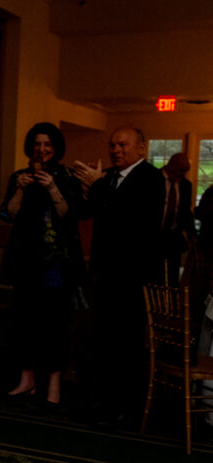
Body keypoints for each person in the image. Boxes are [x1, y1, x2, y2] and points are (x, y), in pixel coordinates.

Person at [70, 125, 165, 426]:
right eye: (112, 145)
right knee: (105, 341)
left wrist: (98, 186)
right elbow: (88, 212)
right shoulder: (110, 177)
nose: (116, 150)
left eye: (123, 145)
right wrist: (87, 189)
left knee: (128, 343)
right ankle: (105, 401)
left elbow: (135, 219)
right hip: (106, 274)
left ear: (141, 148)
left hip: (132, 277)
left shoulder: (150, 177)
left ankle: (128, 408)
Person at [0, 123, 85, 405]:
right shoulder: (19, 176)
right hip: (26, 260)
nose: (42, 149)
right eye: (37, 144)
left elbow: (70, 215)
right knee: (23, 321)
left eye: (47, 144)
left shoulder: (67, 177)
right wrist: (21, 191)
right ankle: (27, 380)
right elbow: (7, 214)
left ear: (56, 148)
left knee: (55, 324)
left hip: (56, 264)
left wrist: (52, 188)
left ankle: (54, 384)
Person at [158, 152, 195, 285]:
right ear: (171, 166)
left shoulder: (185, 185)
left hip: (173, 238)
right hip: (152, 237)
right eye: (181, 170)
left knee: (172, 277)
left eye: (186, 171)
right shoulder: (153, 180)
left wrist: (192, 235)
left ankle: (171, 303)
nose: (183, 174)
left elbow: (186, 212)